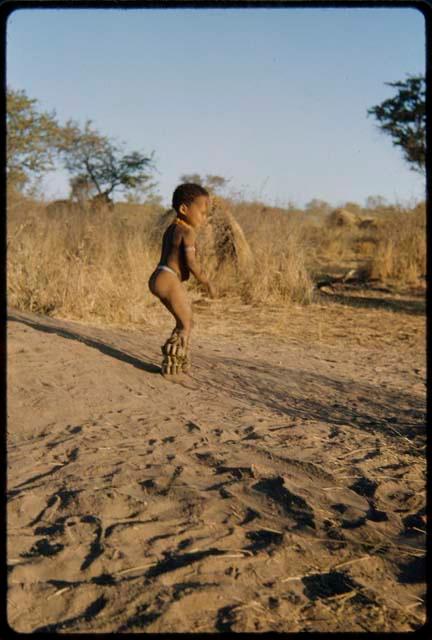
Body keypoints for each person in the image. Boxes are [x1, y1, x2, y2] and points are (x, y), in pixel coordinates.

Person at [148, 183, 215, 375]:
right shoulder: (188, 232)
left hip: (158, 276)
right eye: (202, 212)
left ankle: (176, 361)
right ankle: (173, 367)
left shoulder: (171, 229)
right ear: (184, 209)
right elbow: (192, 263)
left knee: (183, 321)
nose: (204, 217)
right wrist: (207, 283)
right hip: (168, 278)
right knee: (187, 323)